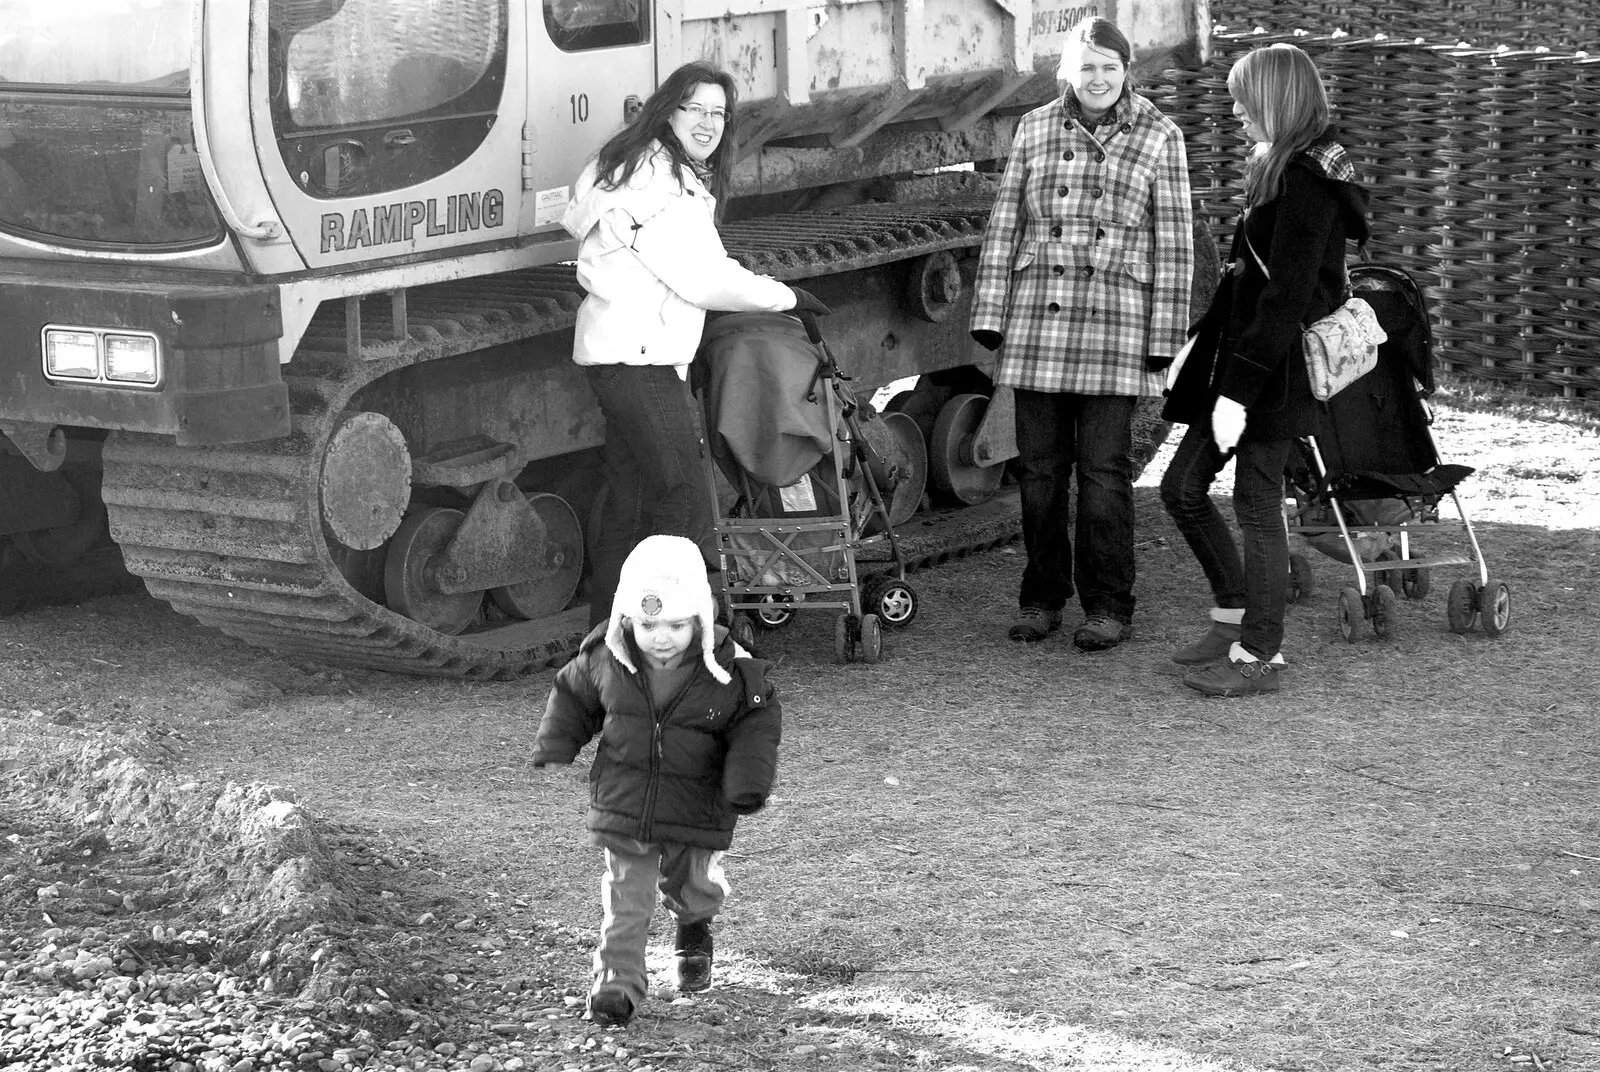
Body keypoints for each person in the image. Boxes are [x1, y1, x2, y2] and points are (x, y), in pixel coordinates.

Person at [562, 61, 829, 627]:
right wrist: (788, 296)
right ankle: (662, 629)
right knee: (682, 496)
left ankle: (608, 634)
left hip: (620, 354)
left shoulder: (637, 167)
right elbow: (706, 278)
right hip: (641, 360)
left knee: (633, 499)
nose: (709, 123)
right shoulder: (660, 185)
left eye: (719, 113)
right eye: (696, 109)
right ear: (669, 111)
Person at [968, 16, 1193, 652]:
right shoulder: (1035, 127)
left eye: (1110, 67)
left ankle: (1108, 604)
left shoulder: (1159, 135)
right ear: (1069, 71)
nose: (1098, 79)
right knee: (1038, 473)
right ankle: (1041, 599)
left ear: (1127, 72)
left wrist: (1165, 334)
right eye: (1086, 66)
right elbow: (1005, 221)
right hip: (1041, 317)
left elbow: (1174, 243)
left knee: (1103, 473)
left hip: (1117, 324)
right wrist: (990, 312)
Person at [1159, 43, 1371, 697]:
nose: (1234, 111)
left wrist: (1237, 395)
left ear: (1276, 101)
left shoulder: (1309, 182)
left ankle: (1260, 656)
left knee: (1255, 502)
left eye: (1243, 101)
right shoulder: (1282, 166)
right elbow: (1251, 283)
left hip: (1271, 378)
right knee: (1182, 490)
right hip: (1240, 366)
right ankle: (1233, 619)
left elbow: (1285, 300)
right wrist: (1198, 352)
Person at [530, 534, 782, 1026]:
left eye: (676, 624)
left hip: (697, 803)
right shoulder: (605, 658)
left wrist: (748, 779)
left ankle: (693, 926)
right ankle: (617, 985)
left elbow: (757, 726)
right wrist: (557, 742)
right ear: (627, 615)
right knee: (626, 896)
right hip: (626, 803)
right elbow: (573, 694)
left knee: (693, 883)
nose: (660, 636)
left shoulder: (732, 674)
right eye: (647, 623)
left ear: (702, 622)